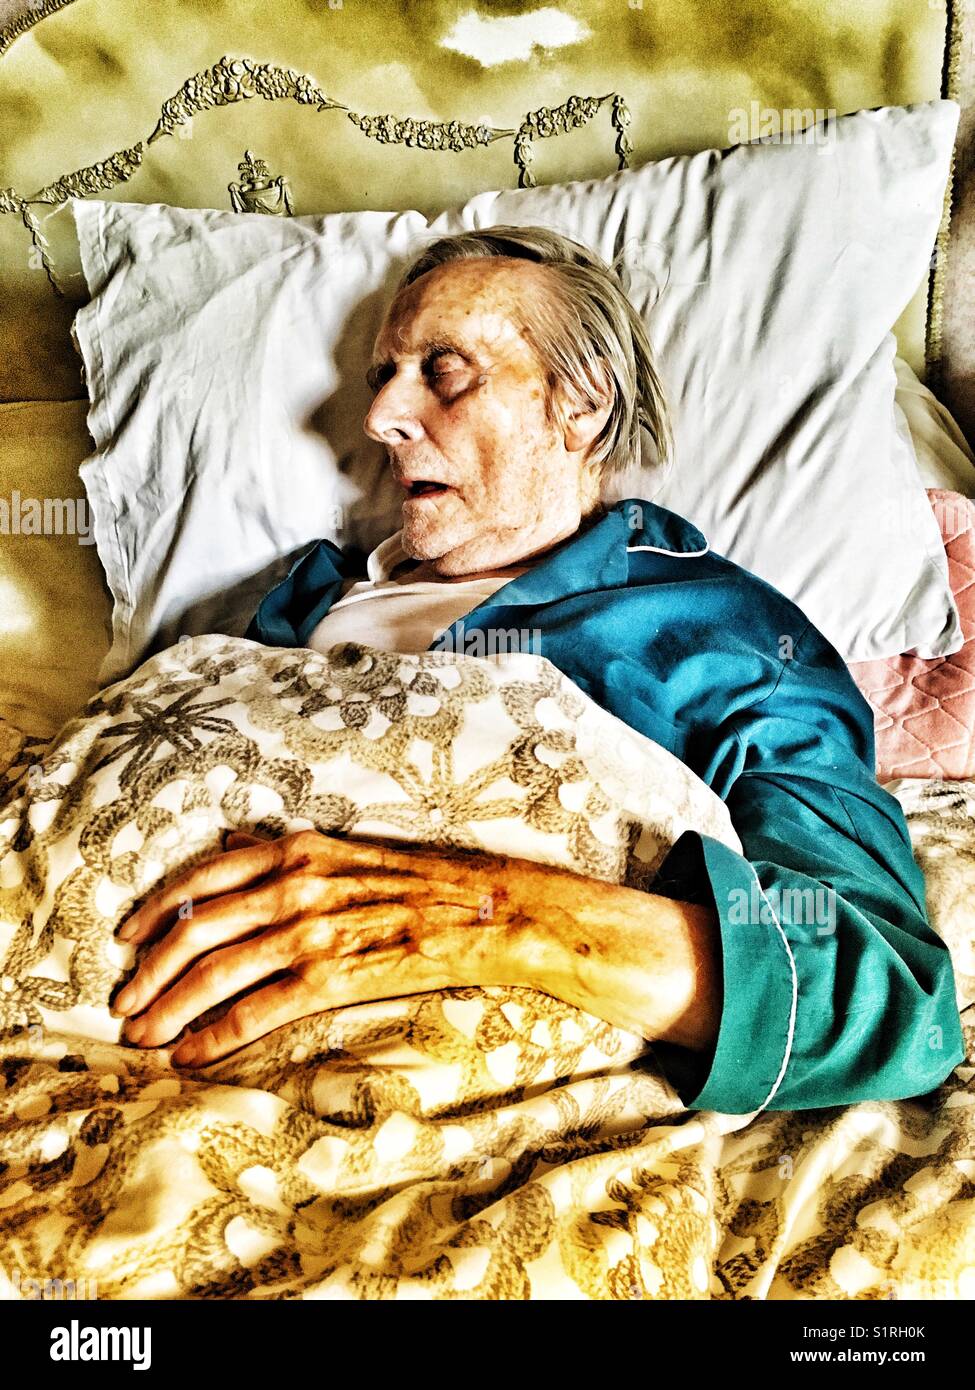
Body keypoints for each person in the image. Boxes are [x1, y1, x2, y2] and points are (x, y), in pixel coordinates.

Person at [112, 225, 965, 1115]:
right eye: (381, 378)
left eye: (444, 371)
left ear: (581, 404)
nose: (379, 420)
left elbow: (890, 997)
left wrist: (488, 919)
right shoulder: (300, 602)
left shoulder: (722, 637)